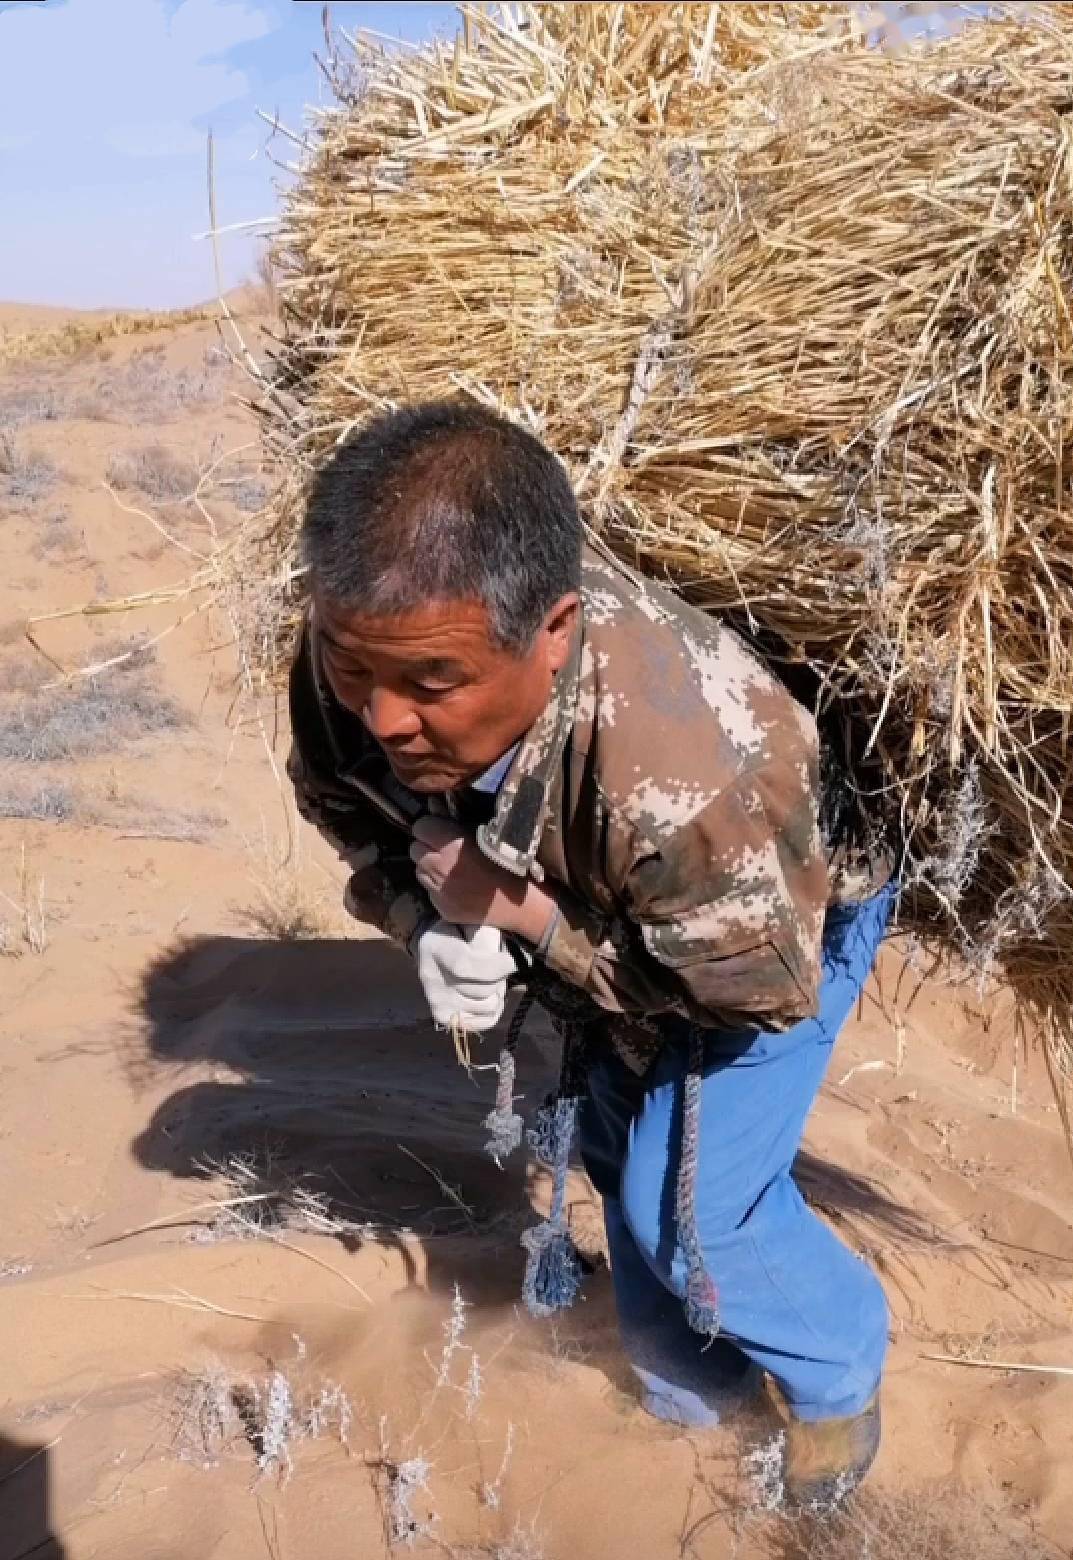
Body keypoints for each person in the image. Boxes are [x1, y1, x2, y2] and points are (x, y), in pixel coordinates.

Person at [287, 400, 895, 1508]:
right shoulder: (370, 648)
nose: (381, 717)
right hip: (612, 889)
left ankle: (838, 1377)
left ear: (554, 629)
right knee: (623, 1149)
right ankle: (690, 1384)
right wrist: (430, 927)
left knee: (698, 1204)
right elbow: (352, 808)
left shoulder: (701, 778)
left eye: (431, 686)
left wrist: (527, 923)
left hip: (772, 917)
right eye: (349, 670)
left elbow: (753, 989)